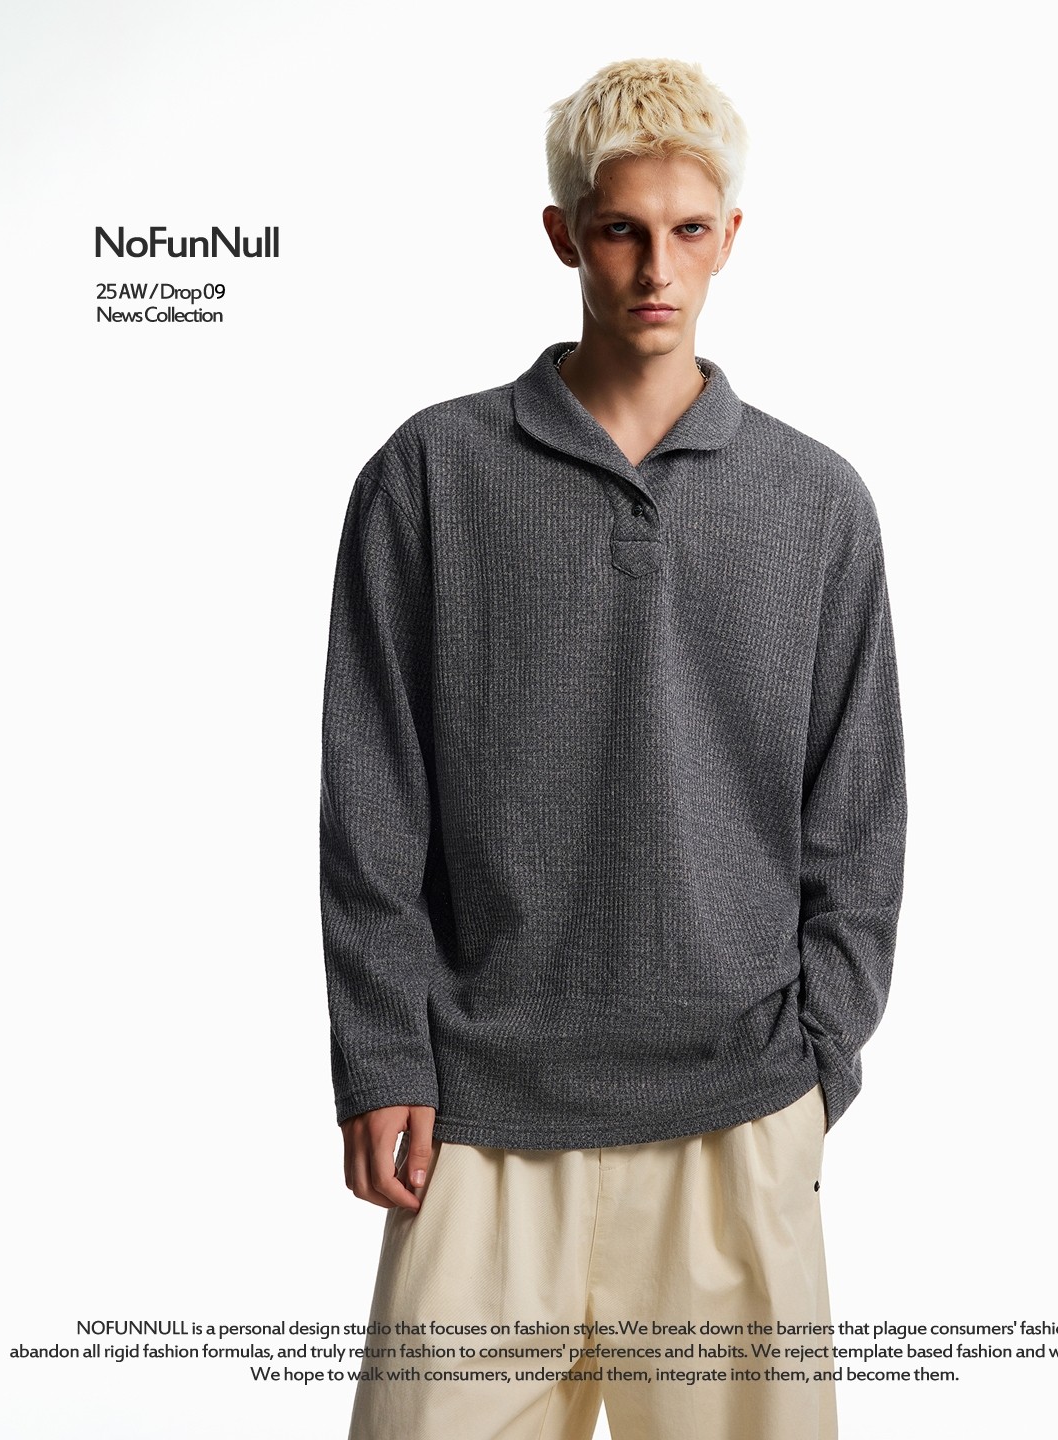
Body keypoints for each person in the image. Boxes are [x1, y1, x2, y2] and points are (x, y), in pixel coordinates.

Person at [319, 56, 907, 1440]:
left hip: (735, 1115)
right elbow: (371, 795)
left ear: (731, 238)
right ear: (562, 235)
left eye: (688, 231)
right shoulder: (431, 476)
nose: (656, 268)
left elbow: (860, 807)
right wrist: (381, 1054)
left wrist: (817, 1061)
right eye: (621, 230)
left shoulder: (817, 502)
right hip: (480, 1123)